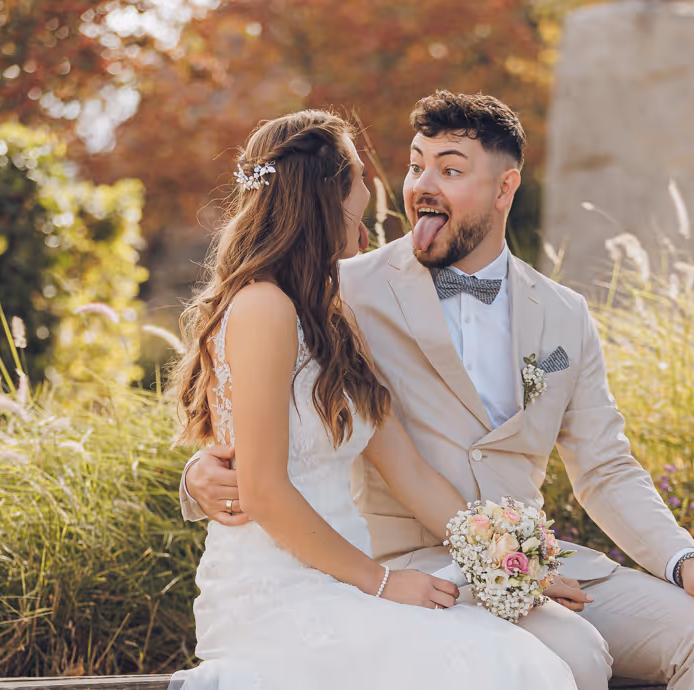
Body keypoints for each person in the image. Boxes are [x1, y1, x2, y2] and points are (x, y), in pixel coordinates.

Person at [182, 92, 694, 689]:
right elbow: (253, 426)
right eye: (414, 165)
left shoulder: (564, 315)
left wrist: (685, 559)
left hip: (526, 556)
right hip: (394, 564)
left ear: (505, 187)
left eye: (451, 169)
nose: (419, 186)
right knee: (571, 655)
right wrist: (200, 475)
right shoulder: (341, 288)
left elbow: (606, 466)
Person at [167, 109, 578, 690]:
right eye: (360, 175)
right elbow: (262, 489)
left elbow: (407, 469)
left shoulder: (331, 320)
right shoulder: (263, 307)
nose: (374, 188)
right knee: (501, 665)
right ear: (328, 195)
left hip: (344, 584)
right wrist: (382, 584)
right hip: (280, 597)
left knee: (513, 656)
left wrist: (519, 563)